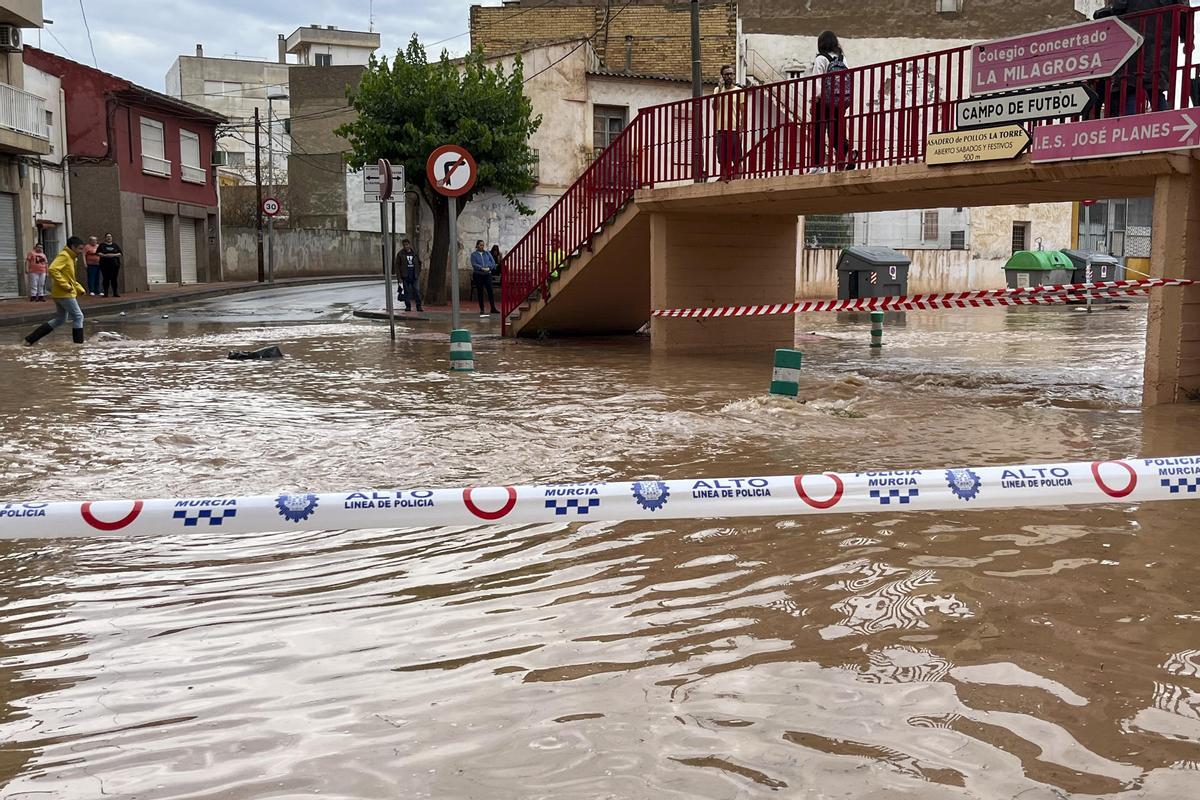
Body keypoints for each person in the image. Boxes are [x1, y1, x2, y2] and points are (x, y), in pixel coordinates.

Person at [1094, 1, 1188, 116]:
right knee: (1155, 88)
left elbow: (1119, 5)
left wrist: (1103, 13)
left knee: (1130, 86)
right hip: (1161, 44)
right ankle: (1164, 122)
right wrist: (1187, 38)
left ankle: (1130, 124)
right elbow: (1184, 10)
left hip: (1134, 40)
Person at [24, 236, 87, 346]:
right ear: (73, 247)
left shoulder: (71, 258)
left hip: (62, 293)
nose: (81, 252)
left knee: (60, 319)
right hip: (64, 293)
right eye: (80, 249)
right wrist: (65, 285)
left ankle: (30, 339)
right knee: (78, 316)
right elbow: (53, 269)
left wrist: (78, 288)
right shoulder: (65, 256)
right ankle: (78, 345)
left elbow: (69, 277)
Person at [809, 31, 854, 173]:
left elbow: (817, 80)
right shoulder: (842, 59)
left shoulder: (821, 59)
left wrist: (814, 100)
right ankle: (847, 152)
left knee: (818, 131)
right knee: (835, 132)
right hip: (839, 101)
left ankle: (818, 166)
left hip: (823, 101)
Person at [712, 65, 744, 181]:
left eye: (731, 74)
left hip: (734, 129)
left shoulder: (738, 91)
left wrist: (741, 128)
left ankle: (737, 181)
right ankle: (725, 179)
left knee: (737, 158)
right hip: (721, 130)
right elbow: (715, 107)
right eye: (726, 74)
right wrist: (720, 90)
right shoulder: (717, 90)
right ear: (722, 76)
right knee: (723, 158)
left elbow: (743, 111)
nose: (729, 76)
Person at [470, 239, 499, 317]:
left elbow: (493, 262)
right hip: (478, 274)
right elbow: (474, 264)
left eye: (483, 245)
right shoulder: (474, 255)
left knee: (490, 291)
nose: (482, 246)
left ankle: (493, 308)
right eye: (480, 245)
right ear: (477, 246)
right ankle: (482, 309)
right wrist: (481, 268)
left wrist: (489, 268)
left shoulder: (487, 253)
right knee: (480, 291)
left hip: (487, 274)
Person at [396, 238, 423, 312]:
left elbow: (419, 263)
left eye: (407, 245)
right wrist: (399, 278)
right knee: (406, 292)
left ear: (409, 245)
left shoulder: (414, 253)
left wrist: (418, 272)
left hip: (414, 276)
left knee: (416, 291)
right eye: (404, 245)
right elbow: (397, 266)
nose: (406, 246)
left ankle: (419, 306)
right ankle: (408, 306)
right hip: (405, 276)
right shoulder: (400, 254)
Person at [97, 232, 122, 297]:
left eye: (110, 236)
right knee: (106, 279)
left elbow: (120, 253)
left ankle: (115, 293)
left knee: (114, 279)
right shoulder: (102, 245)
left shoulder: (115, 245)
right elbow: (98, 253)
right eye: (107, 236)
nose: (109, 238)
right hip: (104, 265)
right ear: (105, 238)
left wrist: (112, 255)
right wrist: (105, 255)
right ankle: (106, 293)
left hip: (115, 266)